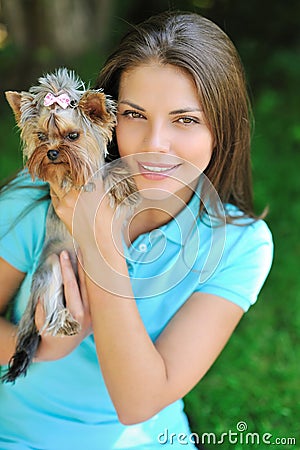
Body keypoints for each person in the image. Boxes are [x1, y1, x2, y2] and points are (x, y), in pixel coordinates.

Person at [0, 11, 273, 450]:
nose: (154, 145)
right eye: (134, 114)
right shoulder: (38, 200)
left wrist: (97, 238)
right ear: (106, 118)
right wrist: (39, 348)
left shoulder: (241, 246)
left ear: (221, 129)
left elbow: (138, 403)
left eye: (185, 120)